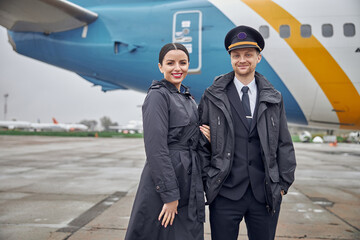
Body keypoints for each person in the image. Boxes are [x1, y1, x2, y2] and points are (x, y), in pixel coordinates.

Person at [198, 25, 297, 240]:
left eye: (248, 55)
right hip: (225, 193)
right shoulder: (212, 96)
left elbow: (284, 142)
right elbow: (201, 144)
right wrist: (209, 179)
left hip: (264, 195)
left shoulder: (274, 98)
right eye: (236, 55)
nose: (242, 60)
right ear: (230, 59)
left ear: (258, 58)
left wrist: (282, 184)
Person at [125, 43, 205, 240]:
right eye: (170, 63)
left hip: (188, 181)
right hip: (166, 181)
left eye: (183, 63)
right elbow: (156, 149)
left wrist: (204, 136)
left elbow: (188, 138)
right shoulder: (157, 96)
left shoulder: (187, 98)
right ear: (160, 67)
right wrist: (169, 196)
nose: (177, 68)